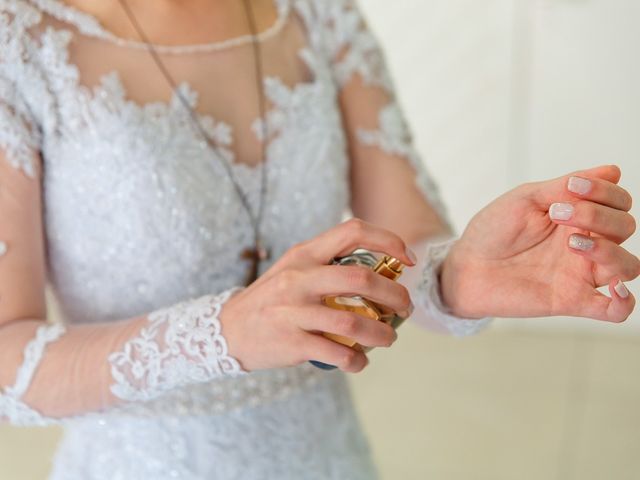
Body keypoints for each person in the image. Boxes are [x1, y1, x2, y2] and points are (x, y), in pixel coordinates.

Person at [0, 0, 637, 478]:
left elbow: (408, 245)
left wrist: (457, 276)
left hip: (325, 454)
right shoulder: (21, 45)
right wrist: (224, 332)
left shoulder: (319, 15)